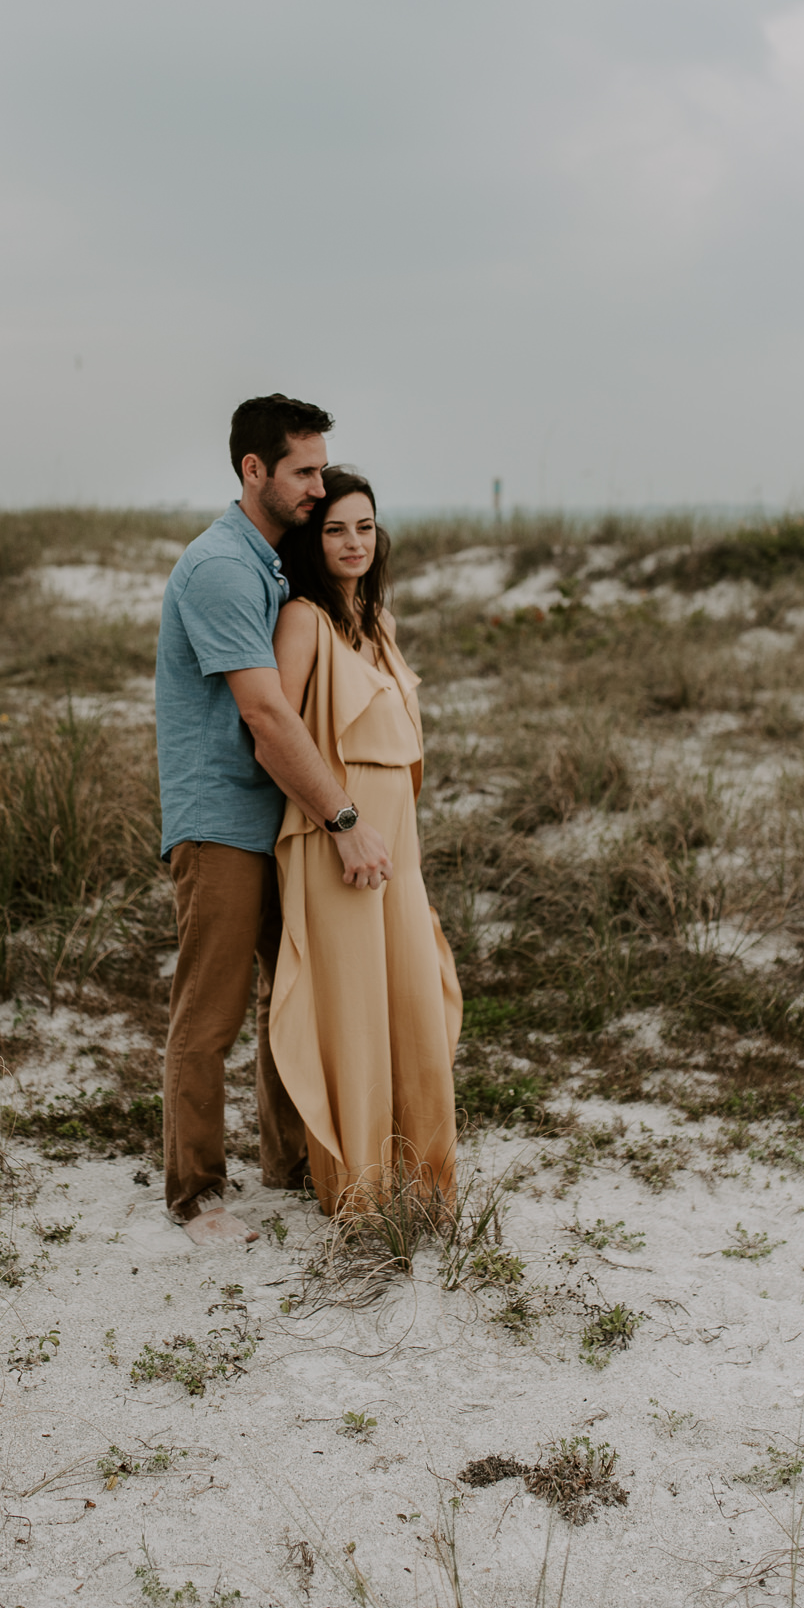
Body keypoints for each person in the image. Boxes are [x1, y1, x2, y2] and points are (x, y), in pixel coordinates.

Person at [155, 396, 396, 1245]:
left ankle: (291, 1165)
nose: (317, 485)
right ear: (253, 470)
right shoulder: (221, 568)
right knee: (210, 1013)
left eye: (321, 468)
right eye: (302, 470)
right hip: (221, 819)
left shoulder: (272, 565)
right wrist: (344, 818)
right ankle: (196, 1197)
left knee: (289, 997)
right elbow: (264, 716)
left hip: (276, 817)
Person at [269, 467, 462, 1217]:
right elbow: (278, 736)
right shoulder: (303, 621)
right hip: (336, 839)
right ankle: (361, 1194)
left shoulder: (377, 624)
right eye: (335, 528)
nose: (353, 542)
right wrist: (343, 825)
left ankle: (429, 1181)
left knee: (417, 1000)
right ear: (313, 541)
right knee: (353, 1014)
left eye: (365, 527)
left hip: (398, 848)